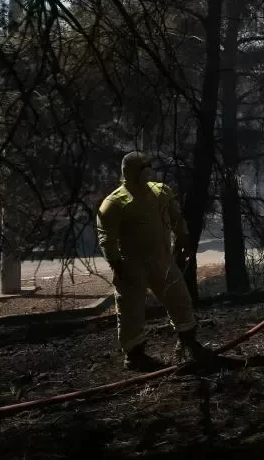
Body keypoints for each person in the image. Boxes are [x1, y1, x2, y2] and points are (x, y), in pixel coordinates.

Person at [96, 152, 215, 371]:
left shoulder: (161, 192)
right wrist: (117, 264)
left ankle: (188, 341)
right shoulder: (114, 203)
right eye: (142, 166)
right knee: (130, 310)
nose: (147, 170)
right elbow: (106, 238)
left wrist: (183, 239)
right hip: (132, 265)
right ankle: (135, 355)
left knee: (179, 298)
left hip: (162, 260)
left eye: (148, 165)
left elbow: (177, 219)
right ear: (128, 172)